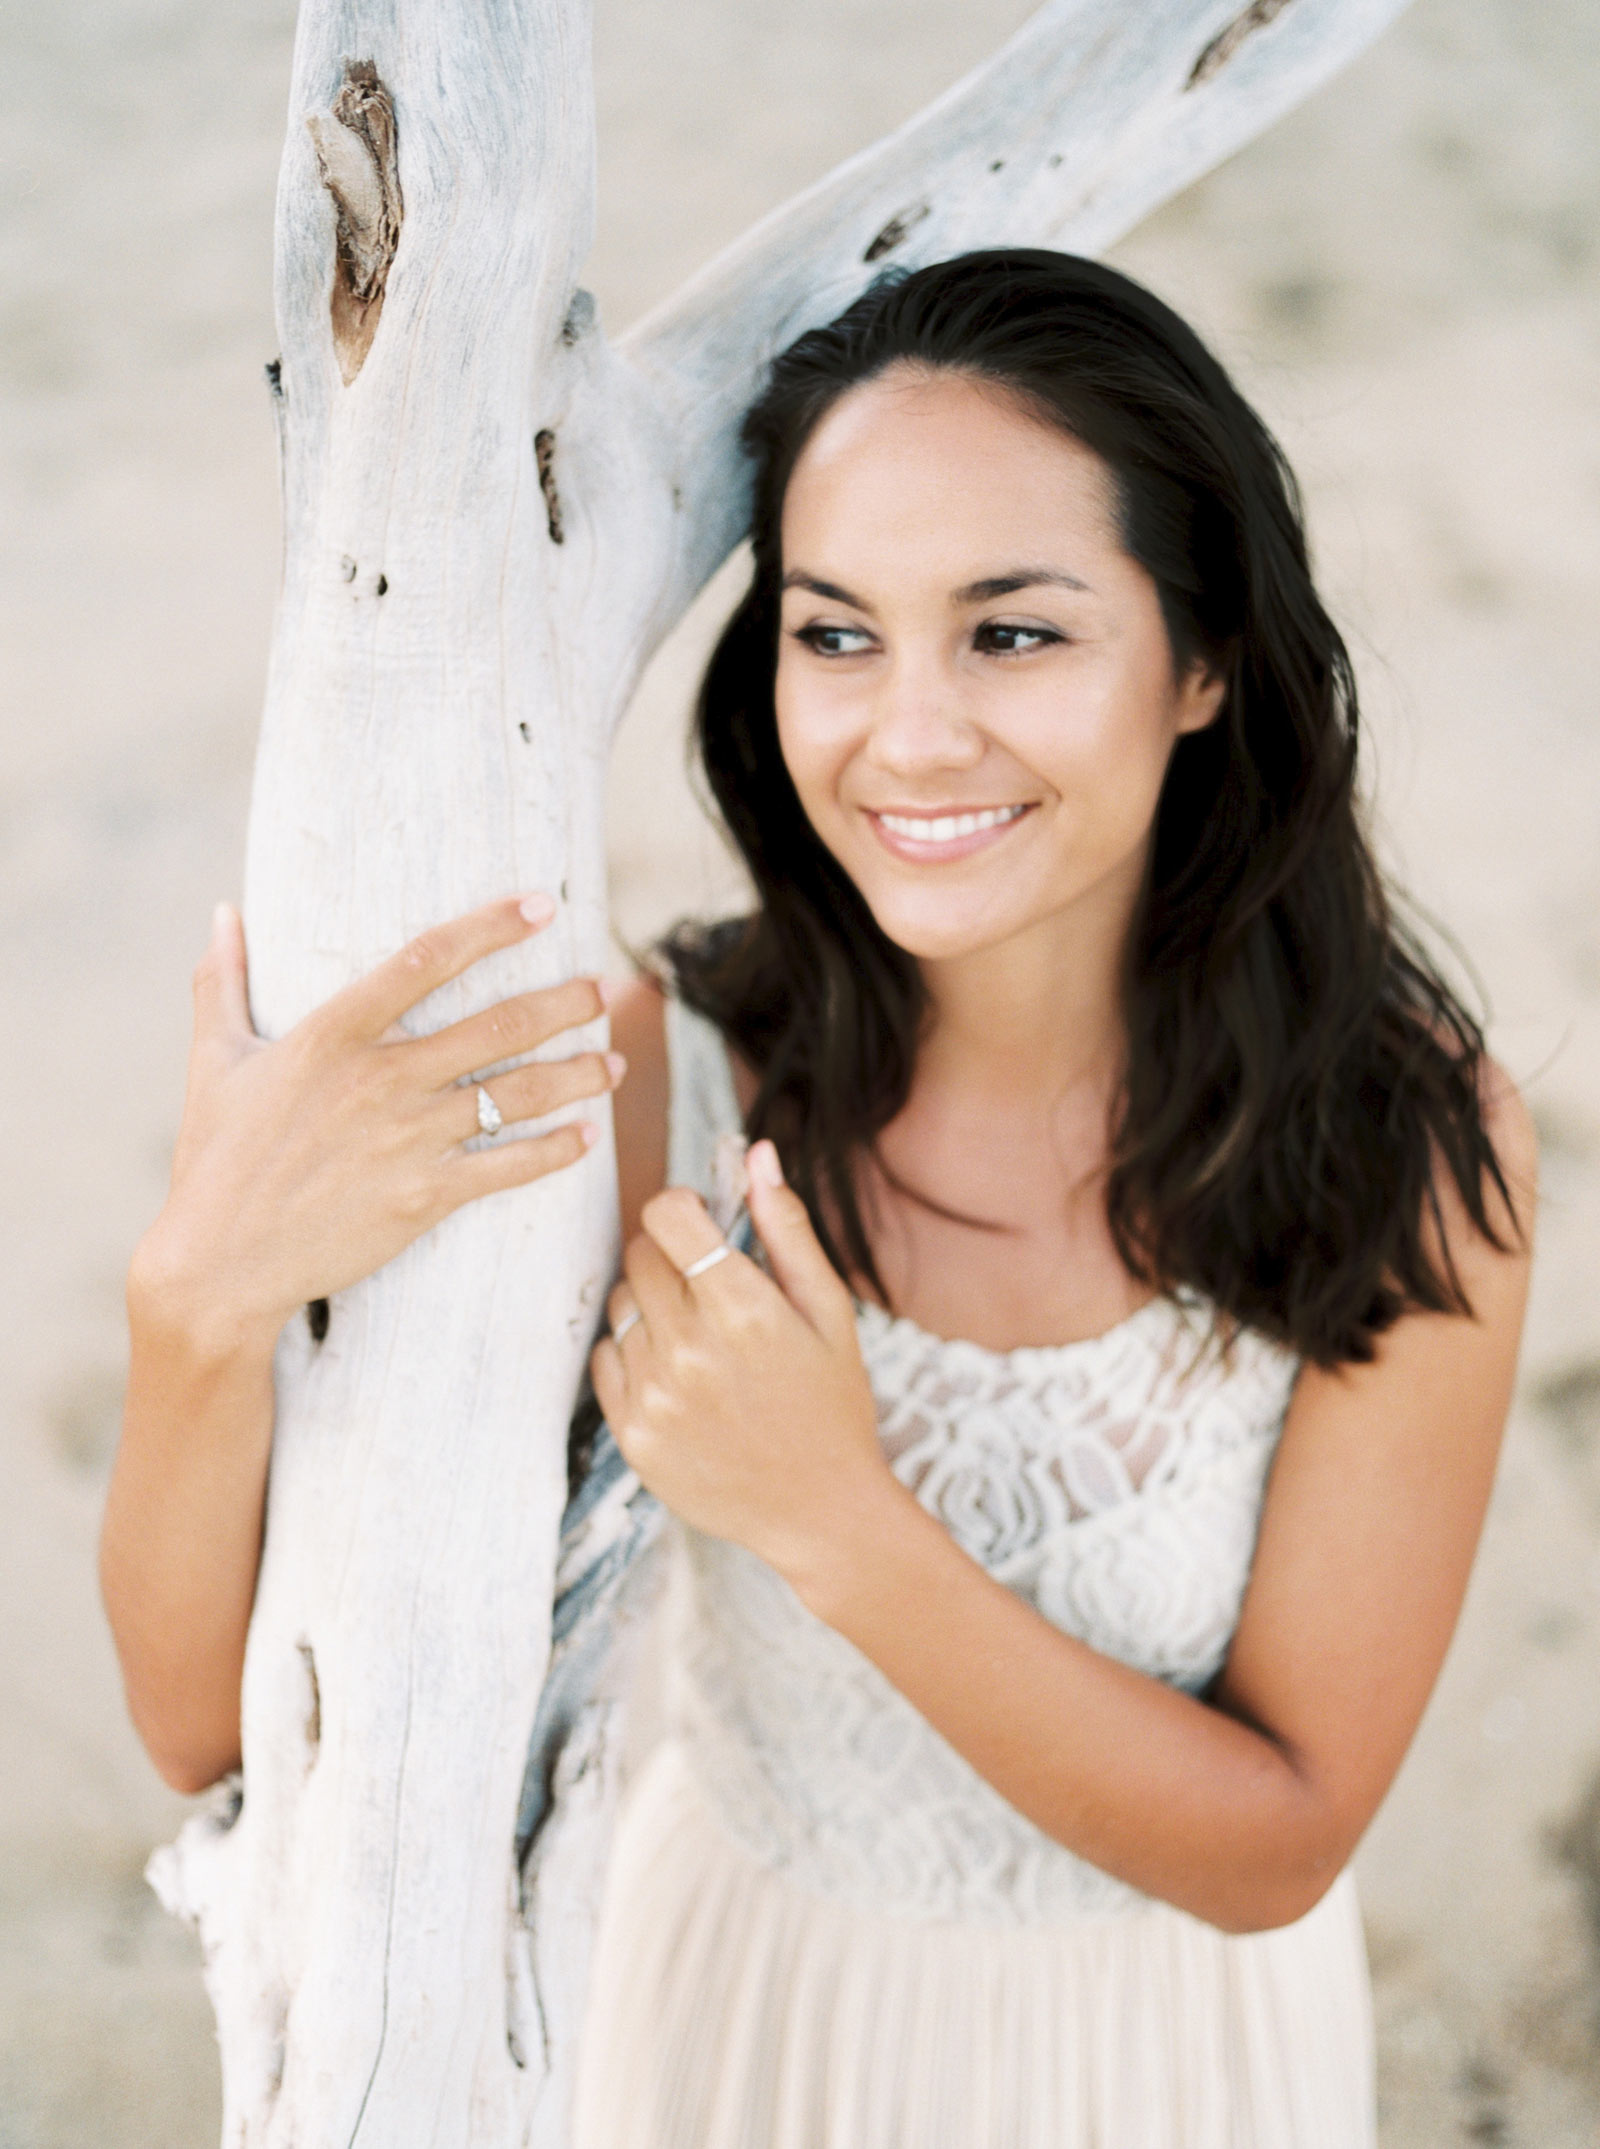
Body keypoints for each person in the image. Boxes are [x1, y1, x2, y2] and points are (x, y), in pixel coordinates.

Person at [102, 252, 1536, 2149]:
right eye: (835, 631)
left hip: (1181, 2063)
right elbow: (214, 1730)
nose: (908, 735)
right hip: (746, 2030)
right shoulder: (657, 1083)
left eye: (1013, 633)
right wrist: (194, 1303)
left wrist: (834, 1518)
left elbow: (1278, 1837)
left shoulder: (1407, 1140)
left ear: (1204, 662)